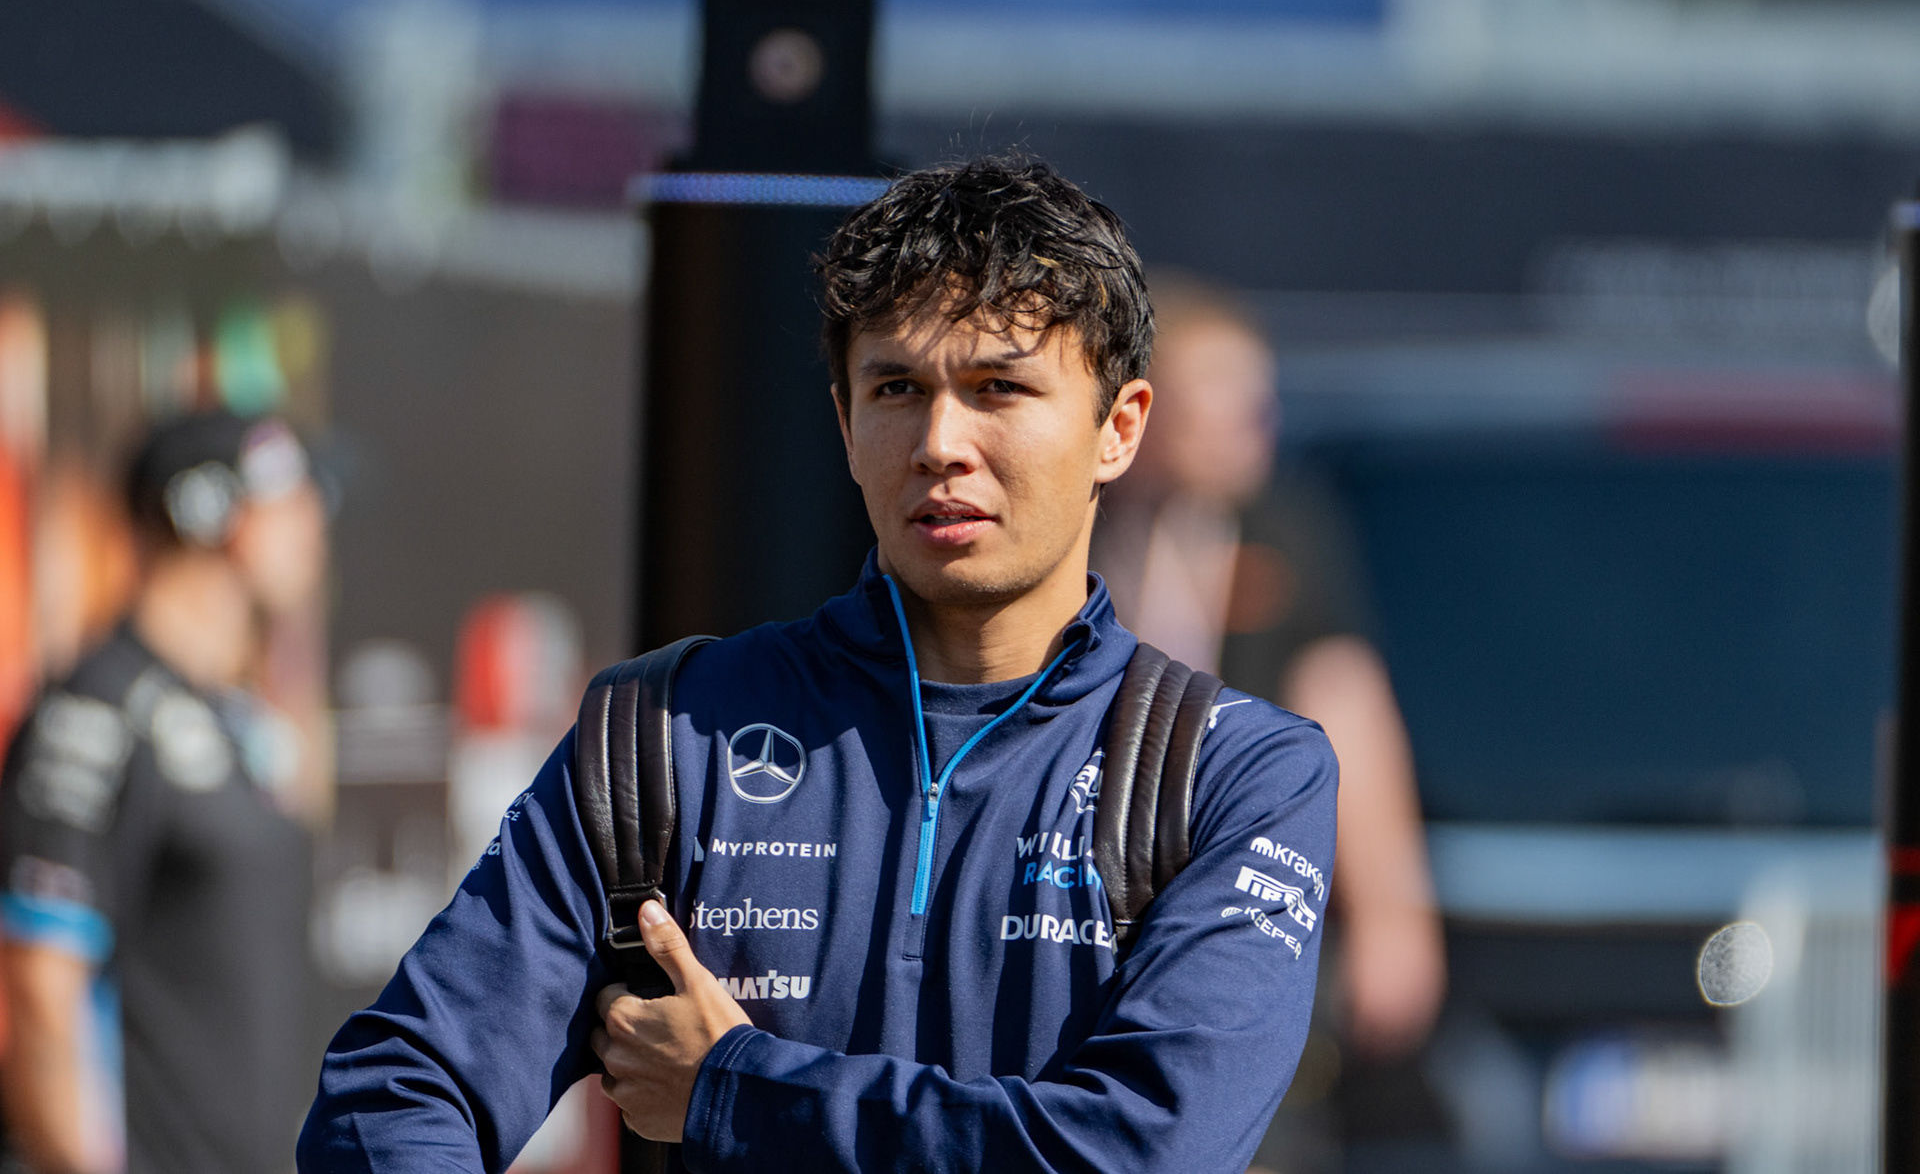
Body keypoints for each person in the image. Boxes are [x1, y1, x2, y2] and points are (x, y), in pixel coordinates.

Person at [299, 156, 1339, 1173]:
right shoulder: (666, 734)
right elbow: (393, 1091)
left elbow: (1148, 1149)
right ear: (845, 424)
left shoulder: (1236, 774)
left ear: (1119, 428)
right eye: (896, 387)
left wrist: (734, 1087)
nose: (940, 441)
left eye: (998, 387)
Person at [1092, 276, 1445, 1168]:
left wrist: (1394, 912)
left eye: (1261, 399)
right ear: (1140, 410)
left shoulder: (1287, 532)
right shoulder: (1079, 532)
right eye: (1220, 396)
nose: (1251, 422)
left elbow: (1350, 712)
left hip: (1246, 889)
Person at [0, 412, 326, 1174]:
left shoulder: (236, 717)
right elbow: (43, 991)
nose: (314, 519)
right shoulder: (95, 711)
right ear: (205, 508)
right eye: (290, 495)